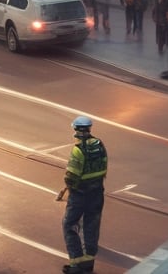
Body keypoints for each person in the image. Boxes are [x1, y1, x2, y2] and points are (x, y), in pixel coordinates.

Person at [61, 116, 107, 274]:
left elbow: (71, 176)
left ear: (75, 129)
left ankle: (76, 264)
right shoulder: (99, 144)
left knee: (69, 225)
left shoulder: (78, 149)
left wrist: (69, 186)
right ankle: (88, 264)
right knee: (91, 226)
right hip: (97, 193)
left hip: (80, 195)